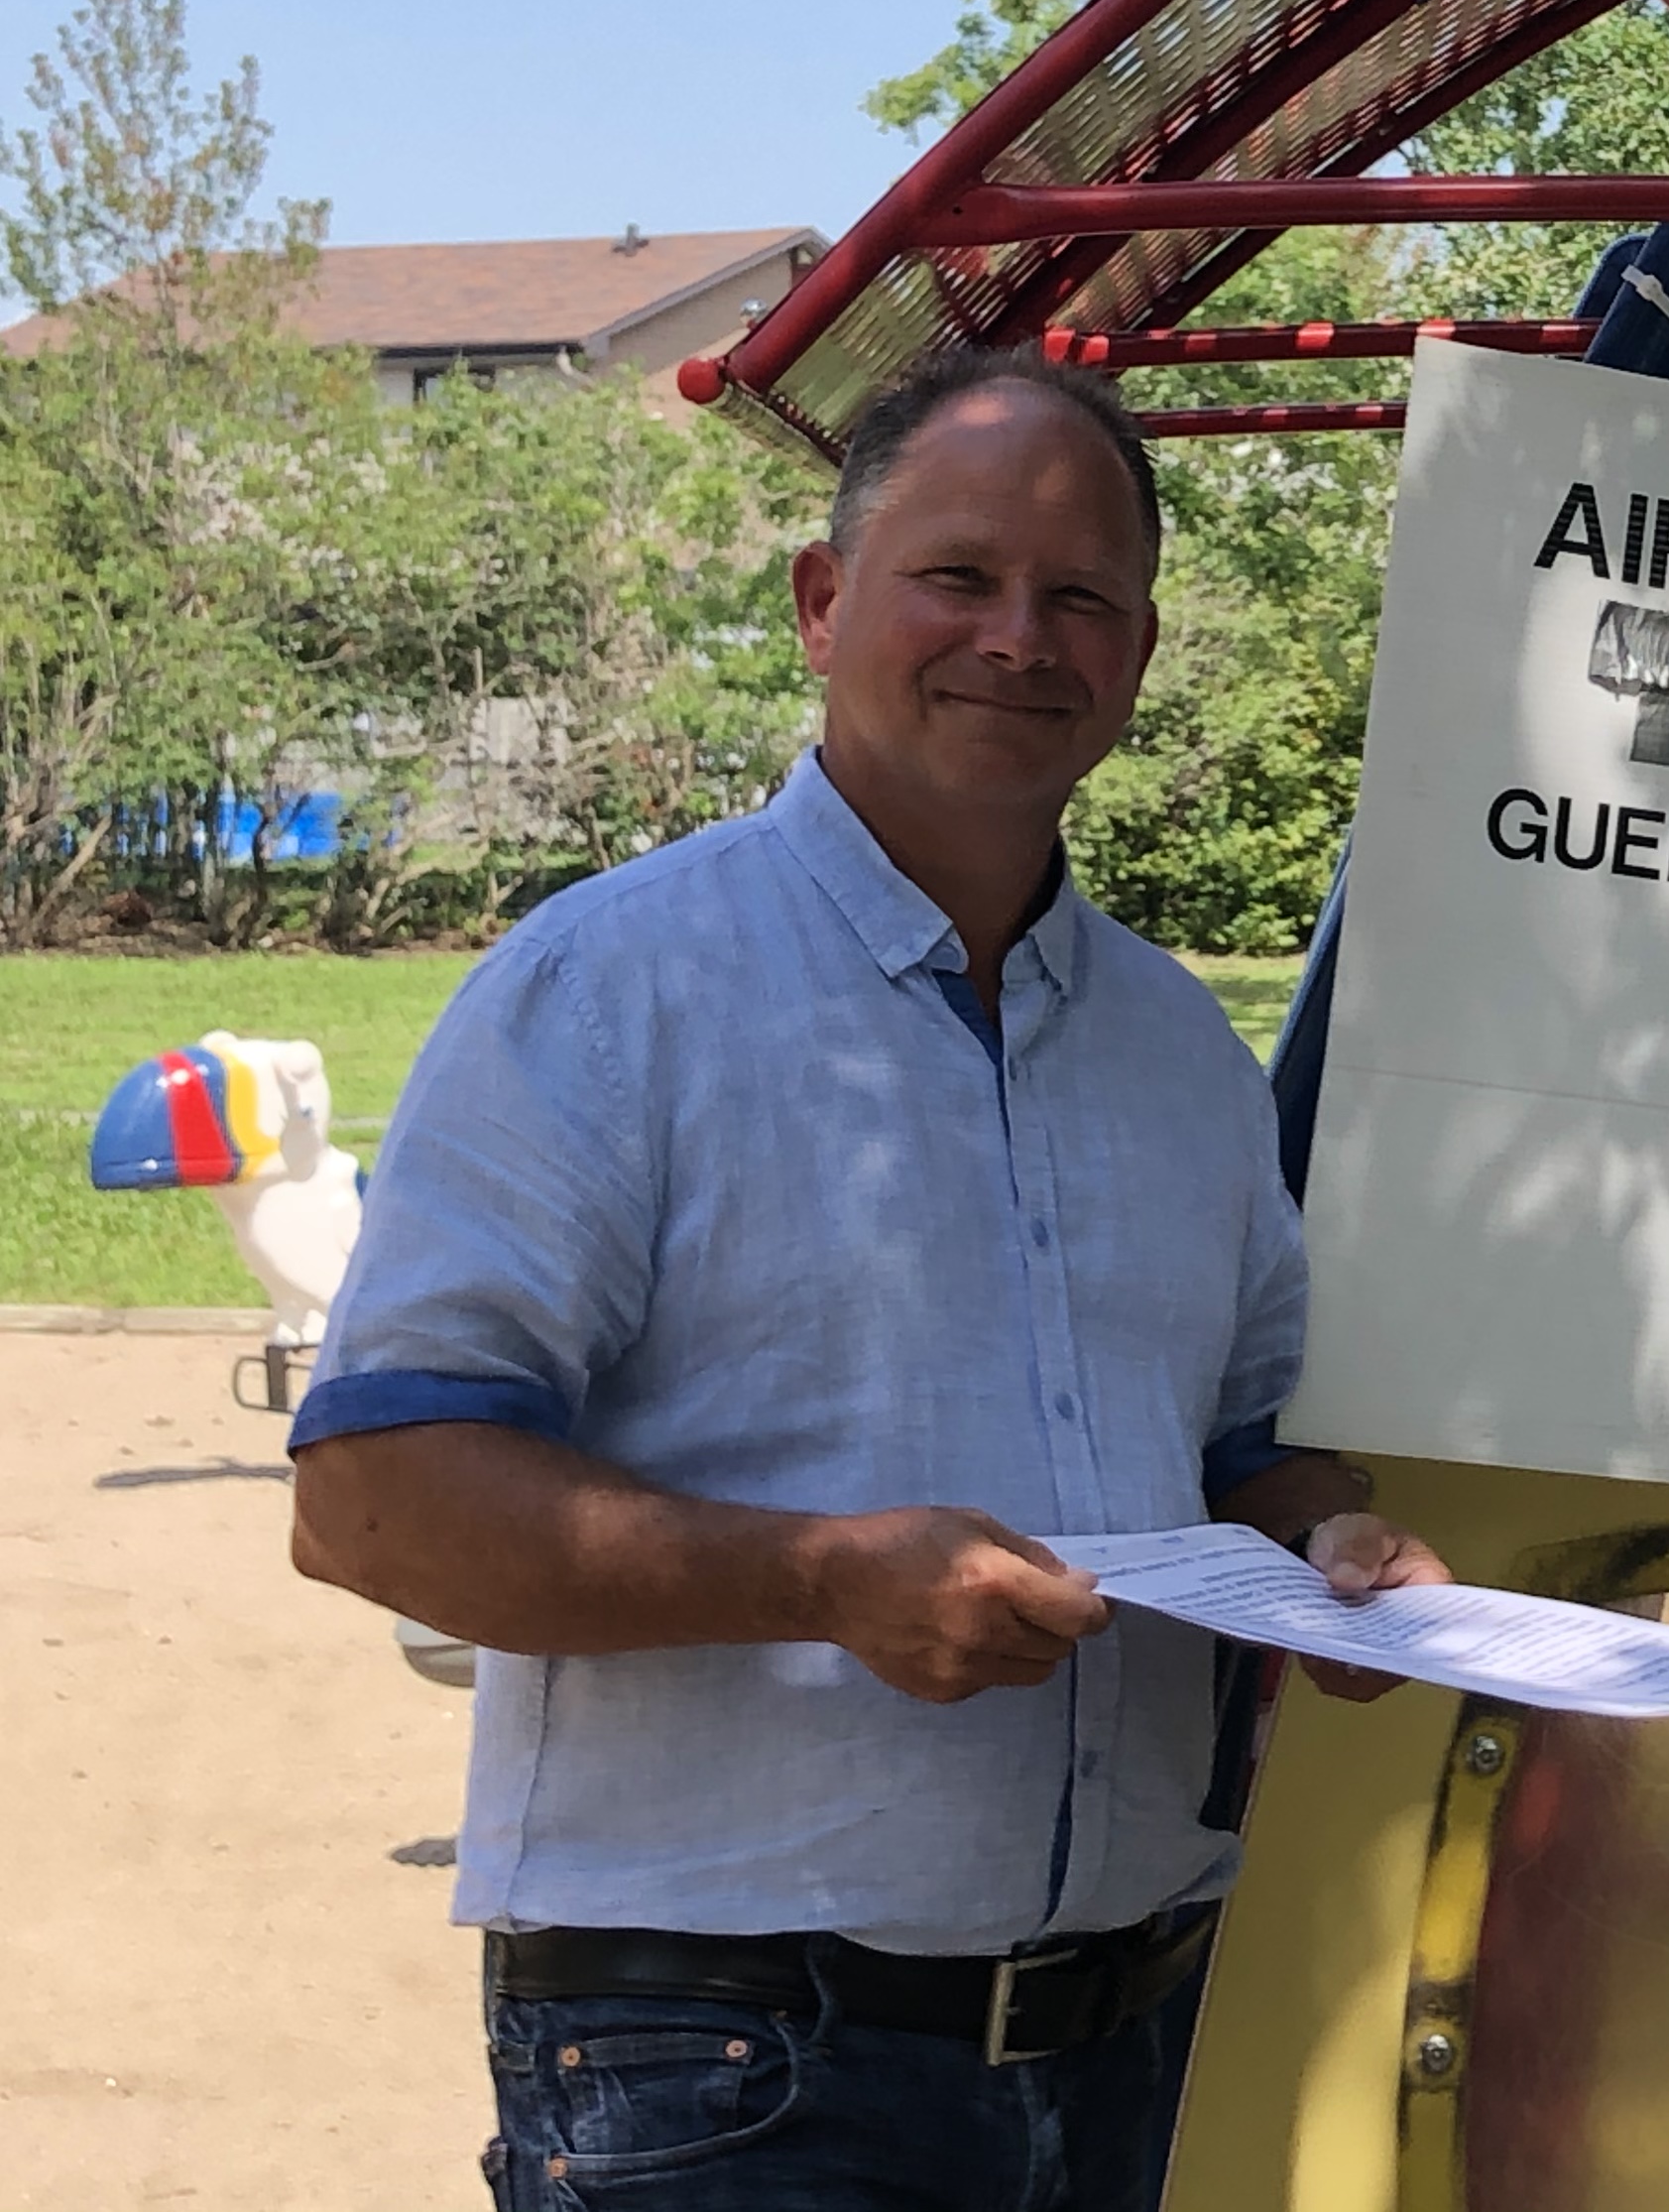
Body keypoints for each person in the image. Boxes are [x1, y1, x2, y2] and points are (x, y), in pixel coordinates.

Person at [289, 349, 1439, 2212]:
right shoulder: (605, 996)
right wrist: (820, 1580)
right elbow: (366, 1502)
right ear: (824, 604)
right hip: (730, 2068)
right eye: (959, 578)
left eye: (1082, 598)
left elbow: (1234, 1449)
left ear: (1137, 657)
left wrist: (1334, 1559)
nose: (1021, 638)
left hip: (1143, 2044)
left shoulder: (1181, 1057)